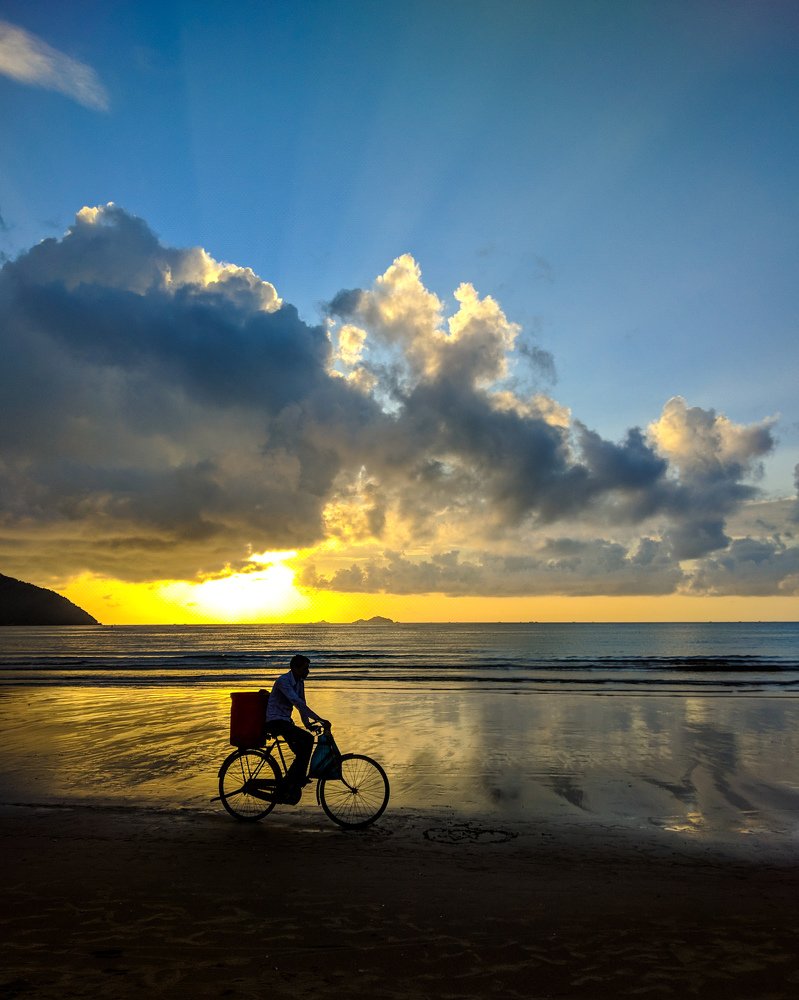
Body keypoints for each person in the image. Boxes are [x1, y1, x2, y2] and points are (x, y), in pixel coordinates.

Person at [266, 654, 330, 802]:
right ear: (294, 668)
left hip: (285, 721)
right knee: (307, 740)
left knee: (303, 749)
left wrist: (308, 724)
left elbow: (302, 704)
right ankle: (290, 782)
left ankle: (292, 781)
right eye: (305, 668)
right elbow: (296, 702)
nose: (308, 671)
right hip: (275, 721)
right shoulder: (283, 681)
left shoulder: (299, 682)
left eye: (308, 668)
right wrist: (319, 719)